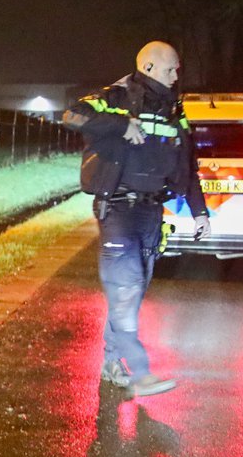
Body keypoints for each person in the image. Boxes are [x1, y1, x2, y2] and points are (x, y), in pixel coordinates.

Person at [62, 41, 208, 397]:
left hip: (152, 211)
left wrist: (199, 211)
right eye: (171, 69)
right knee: (125, 286)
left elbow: (187, 163)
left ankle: (113, 360)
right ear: (149, 68)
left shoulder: (175, 109)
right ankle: (141, 374)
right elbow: (71, 115)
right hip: (119, 209)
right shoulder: (116, 97)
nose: (176, 75)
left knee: (134, 290)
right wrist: (119, 124)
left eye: (177, 69)